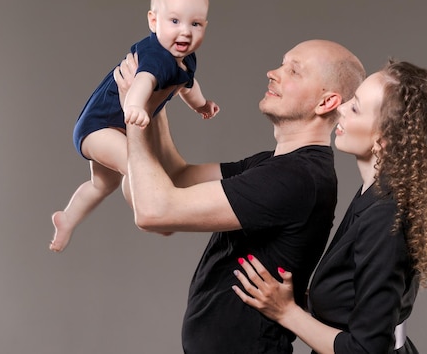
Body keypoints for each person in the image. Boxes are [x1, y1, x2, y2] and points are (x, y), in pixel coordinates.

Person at [113, 40, 366, 353]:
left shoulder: (295, 178)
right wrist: (154, 104)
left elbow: (154, 211)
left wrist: (132, 115)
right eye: (281, 63)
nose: (273, 73)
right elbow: (176, 177)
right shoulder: (273, 165)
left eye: (293, 71)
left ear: (326, 103)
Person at [232, 60, 427, 353]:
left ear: (383, 139)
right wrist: (305, 295)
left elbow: (366, 350)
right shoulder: (376, 193)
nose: (341, 107)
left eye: (355, 108)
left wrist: (286, 312)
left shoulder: (385, 217)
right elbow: (356, 296)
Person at [49, 0, 219, 252]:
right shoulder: (157, 56)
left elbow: (188, 84)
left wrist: (201, 104)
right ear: (154, 21)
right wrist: (135, 106)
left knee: (103, 185)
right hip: (99, 127)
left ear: (205, 26)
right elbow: (142, 81)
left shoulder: (185, 58)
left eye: (195, 24)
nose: (185, 31)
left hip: (109, 127)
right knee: (138, 167)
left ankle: (67, 218)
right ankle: (153, 210)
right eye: (174, 21)